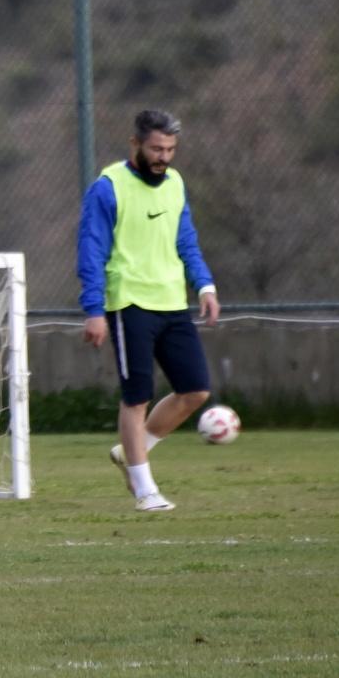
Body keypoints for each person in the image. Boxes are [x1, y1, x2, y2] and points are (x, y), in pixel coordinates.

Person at [77, 109, 220, 512]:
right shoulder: (108, 187)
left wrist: (204, 285)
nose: (164, 157)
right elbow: (91, 251)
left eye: (171, 149)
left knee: (195, 390)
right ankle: (144, 489)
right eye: (157, 148)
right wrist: (94, 308)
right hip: (129, 303)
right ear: (135, 144)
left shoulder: (175, 183)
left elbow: (186, 241)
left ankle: (131, 452)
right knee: (136, 397)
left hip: (172, 301)